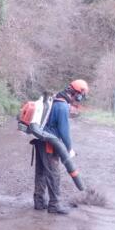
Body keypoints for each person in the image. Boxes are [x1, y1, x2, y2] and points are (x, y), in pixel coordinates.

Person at [33, 79, 89, 214]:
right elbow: (64, 131)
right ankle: (54, 205)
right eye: (80, 96)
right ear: (77, 94)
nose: (79, 99)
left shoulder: (54, 100)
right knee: (54, 174)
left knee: (41, 173)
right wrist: (69, 149)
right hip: (49, 143)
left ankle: (39, 202)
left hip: (39, 139)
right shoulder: (62, 106)